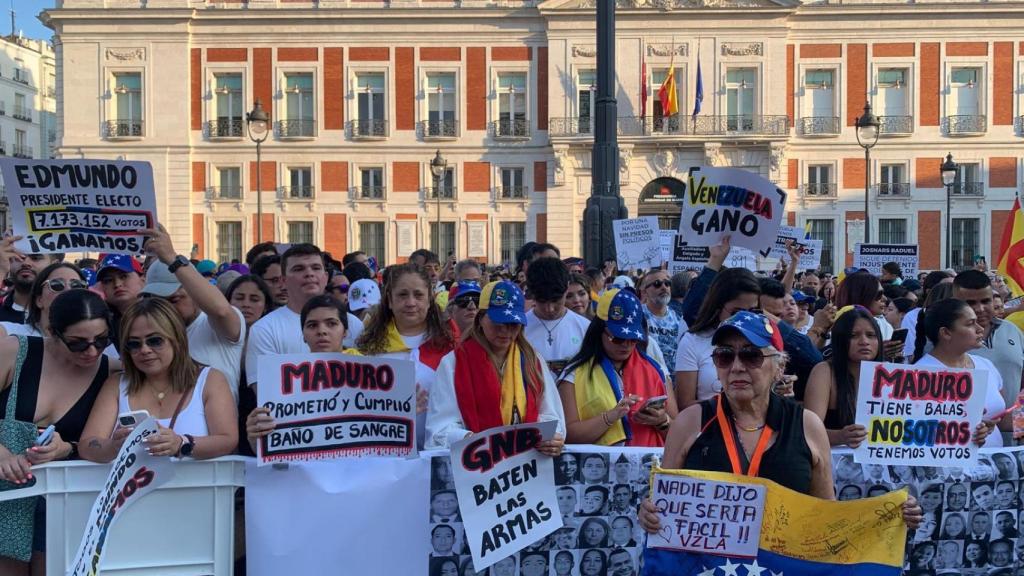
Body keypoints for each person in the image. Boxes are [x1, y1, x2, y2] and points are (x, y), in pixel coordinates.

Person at [639, 311, 924, 535]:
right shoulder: (691, 422)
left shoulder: (807, 426)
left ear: (780, 366)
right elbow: (664, 506)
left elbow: (827, 513)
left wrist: (888, 515)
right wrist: (649, 514)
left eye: (751, 356)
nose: (737, 366)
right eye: (725, 356)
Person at [0, 290, 113, 572]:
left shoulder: (110, 370)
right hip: (5, 495)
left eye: (101, 340)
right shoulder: (15, 351)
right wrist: (2, 454)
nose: (92, 352)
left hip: (55, 498)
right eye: (78, 344)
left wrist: (68, 448)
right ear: (52, 331)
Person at [80, 298, 238, 462]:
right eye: (134, 344)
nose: (144, 350)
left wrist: (181, 443)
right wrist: (113, 447)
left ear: (176, 339)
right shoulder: (116, 384)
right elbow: (87, 445)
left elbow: (227, 440)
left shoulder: (210, 380)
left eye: (155, 341)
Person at [425, 280, 565, 453]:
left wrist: (551, 438)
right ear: (480, 319)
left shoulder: (532, 360)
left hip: (527, 465)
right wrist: (469, 440)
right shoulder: (453, 363)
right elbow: (439, 428)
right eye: (497, 323)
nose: (504, 331)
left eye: (512, 324)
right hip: (476, 465)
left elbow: (552, 415)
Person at [140, 225, 246, 401]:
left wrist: (172, 259)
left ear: (194, 292)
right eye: (157, 300)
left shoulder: (216, 326)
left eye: (174, 300)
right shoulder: (146, 336)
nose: (166, 307)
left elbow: (220, 310)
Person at [559, 288, 675, 447]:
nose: (627, 345)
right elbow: (567, 434)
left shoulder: (656, 370)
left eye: (633, 339)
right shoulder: (573, 374)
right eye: (618, 338)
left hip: (649, 466)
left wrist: (662, 421)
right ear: (599, 331)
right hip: (598, 467)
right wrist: (610, 417)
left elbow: (678, 433)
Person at [359, 264, 456, 449]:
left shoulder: (450, 345)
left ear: (430, 299)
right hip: (387, 459)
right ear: (389, 300)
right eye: (402, 295)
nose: (411, 302)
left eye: (418, 295)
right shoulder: (367, 349)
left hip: (438, 457)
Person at [912, 298, 1002, 447]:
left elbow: (1002, 419)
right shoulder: (919, 376)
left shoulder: (986, 365)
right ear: (946, 333)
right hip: (949, 468)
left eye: (977, 322)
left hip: (997, 464)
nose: (980, 329)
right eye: (970, 324)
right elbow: (916, 433)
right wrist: (964, 431)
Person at [674, 267, 761, 408]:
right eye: (737, 312)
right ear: (718, 307)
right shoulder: (693, 341)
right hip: (710, 425)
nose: (745, 319)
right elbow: (684, 404)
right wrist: (732, 405)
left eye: (753, 312)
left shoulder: (762, 340)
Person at [804, 307, 882, 447]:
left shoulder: (890, 374)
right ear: (840, 339)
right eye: (854, 335)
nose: (864, 341)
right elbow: (808, 430)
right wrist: (840, 436)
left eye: (871, 335)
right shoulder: (825, 372)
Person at [953, 270, 1024, 424]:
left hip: (1012, 440)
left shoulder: (1012, 330)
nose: (980, 309)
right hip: (961, 439)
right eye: (970, 303)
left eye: (986, 301)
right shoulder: (943, 338)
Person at [524, 257, 590, 376]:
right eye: (542, 301)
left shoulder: (585, 328)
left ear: (567, 287)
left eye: (556, 300)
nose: (550, 308)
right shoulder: (519, 329)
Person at [0, 262, 88, 338]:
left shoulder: (96, 341)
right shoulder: (10, 333)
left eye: (77, 285)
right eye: (57, 285)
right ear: (39, 300)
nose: (68, 290)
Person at [0, 237, 62, 324]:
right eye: (18, 257)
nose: (26, 263)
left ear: (54, 265)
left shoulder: (67, 314)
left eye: (36, 258)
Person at [95, 254, 146, 350]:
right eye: (108, 280)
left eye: (123, 276)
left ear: (143, 280)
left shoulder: (162, 313)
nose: (117, 284)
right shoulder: (102, 325)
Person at [639, 269, 686, 364]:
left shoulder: (679, 317)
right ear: (644, 292)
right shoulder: (637, 315)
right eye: (657, 284)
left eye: (667, 283)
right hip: (648, 375)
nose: (664, 287)